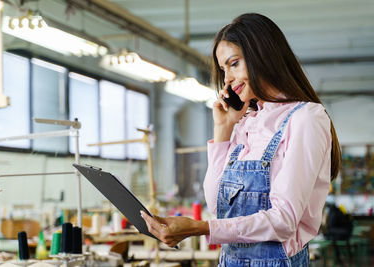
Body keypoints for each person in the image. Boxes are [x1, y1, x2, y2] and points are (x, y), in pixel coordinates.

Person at [141, 13, 341, 266]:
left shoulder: (306, 118)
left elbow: (283, 220)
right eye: (223, 69)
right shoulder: (246, 122)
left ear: (263, 56)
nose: (227, 79)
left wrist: (201, 228)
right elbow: (218, 205)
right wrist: (223, 130)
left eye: (234, 63)